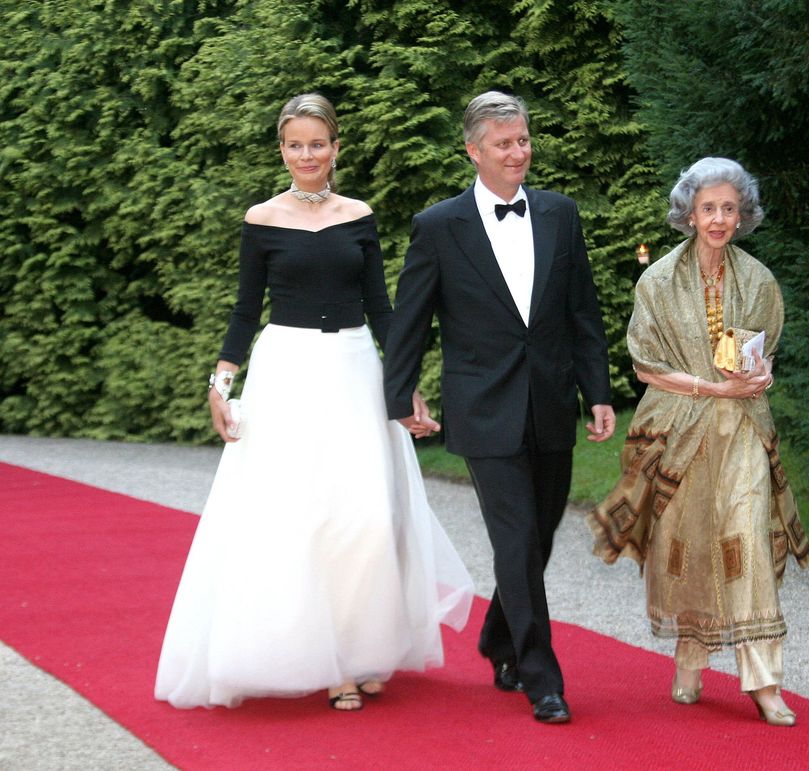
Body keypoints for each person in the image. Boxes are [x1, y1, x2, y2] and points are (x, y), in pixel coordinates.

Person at [154, 93, 473, 712]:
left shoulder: (359, 214)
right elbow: (246, 310)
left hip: (355, 367)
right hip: (288, 373)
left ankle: (365, 651)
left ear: (335, 148)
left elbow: (382, 307)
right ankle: (330, 666)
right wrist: (220, 387)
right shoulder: (262, 218)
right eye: (296, 145)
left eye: (318, 144)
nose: (308, 155)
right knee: (305, 517)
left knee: (368, 517)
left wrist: (404, 380)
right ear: (282, 150)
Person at [382, 91, 616, 724]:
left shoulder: (561, 214)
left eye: (524, 140)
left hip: (549, 400)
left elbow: (581, 311)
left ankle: (497, 638)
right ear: (474, 151)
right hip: (482, 407)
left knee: (536, 537)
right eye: (505, 143)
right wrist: (397, 393)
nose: (519, 152)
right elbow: (411, 319)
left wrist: (597, 391)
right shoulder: (438, 226)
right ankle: (542, 678)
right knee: (514, 541)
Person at [588, 158, 809, 726]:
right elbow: (644, 365)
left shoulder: (759, 280)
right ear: (689, 212)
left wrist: (762, 377)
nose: (718, 219)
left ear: (743, 216)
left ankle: (764, 680)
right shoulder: (657, 280)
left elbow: (764, 355)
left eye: (729, 208)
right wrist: (705, 386)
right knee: (686, 545)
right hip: (679, 432)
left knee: (748, 542)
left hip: (742, 430)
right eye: (708, 207)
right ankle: (690, 657)